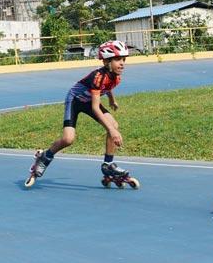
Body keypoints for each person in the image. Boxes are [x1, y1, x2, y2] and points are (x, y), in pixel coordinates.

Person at [25, 41, 136, 188]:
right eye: (117, 59)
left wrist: (112, 100)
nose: (122, 63)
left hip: (89, 101)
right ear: (106, 61)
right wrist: (112, 131)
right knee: (68, 139)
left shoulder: (116, 76)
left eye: (124, 59)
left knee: (114, 124)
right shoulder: (97, 76)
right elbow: (96, 107)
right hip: (75, 101)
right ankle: (45, 157)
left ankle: (108, 164)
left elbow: (108, 87)